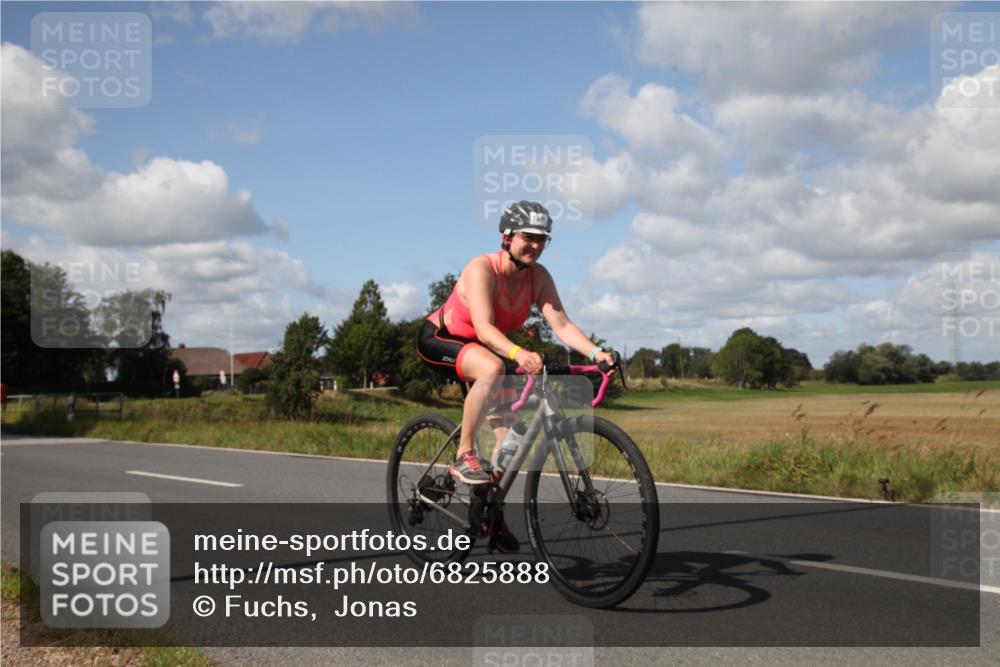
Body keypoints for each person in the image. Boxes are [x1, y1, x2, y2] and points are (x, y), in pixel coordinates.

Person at [416, 201, 616, 549]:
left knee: (508, 442)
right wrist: (519, 354)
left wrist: (597, 353)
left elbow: (562, 324)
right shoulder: (482, 268)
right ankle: (463, 455)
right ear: (506, 236)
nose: (536, 245)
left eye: (543, 239)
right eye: (528, 237)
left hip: (489, 348)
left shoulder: (538, 277)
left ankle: (492, 516)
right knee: (493, 367)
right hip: (444, 338)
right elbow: (483, 327)